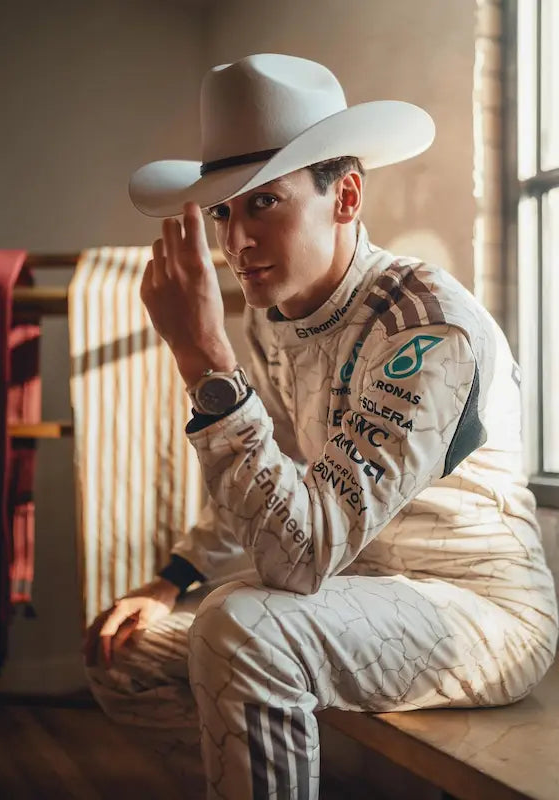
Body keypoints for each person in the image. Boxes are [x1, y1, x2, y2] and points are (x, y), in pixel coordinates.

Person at [84, 53, 558, 800]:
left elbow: (297, 559)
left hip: (480, 615)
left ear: (345, 197)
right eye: (222, 212)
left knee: (241, 628)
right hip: (349, 587)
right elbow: (265, 484)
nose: (235, 240)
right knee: (127, 648)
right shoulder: (275, 318)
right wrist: (171, 581)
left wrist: (204, 360)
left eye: (262, 203)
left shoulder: (426, 329)